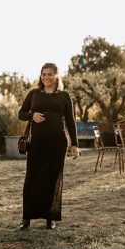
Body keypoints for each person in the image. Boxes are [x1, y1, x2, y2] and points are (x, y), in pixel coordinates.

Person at [18, 63, 79, 230]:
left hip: (58, 143)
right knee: (32, 178)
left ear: (56, 76)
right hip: (37, 143)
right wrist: (32, 115)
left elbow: (71, 121)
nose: (46, 77)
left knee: (52, 179)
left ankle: (49, 217)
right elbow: (21, 113)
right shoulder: (34, 94)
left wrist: (74, 144)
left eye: (50, 74)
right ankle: (26, 218)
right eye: (43, 74)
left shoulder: (64, 96)